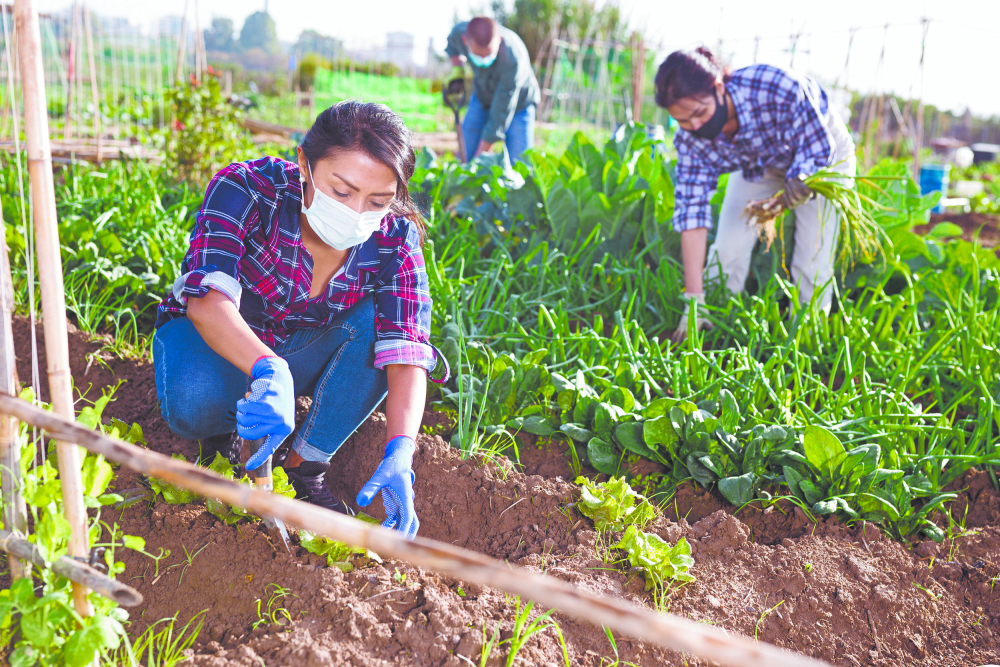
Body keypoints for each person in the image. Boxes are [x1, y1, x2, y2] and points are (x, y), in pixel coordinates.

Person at [152, 101, 448, 538]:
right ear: (305, 165)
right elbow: (207, 300)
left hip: (304, 348)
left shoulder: (394, 238)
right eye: (342, 192)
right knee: (195, 398)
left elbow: (406, 346)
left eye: (378, 201)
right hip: (217, 344)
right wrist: (267, 367)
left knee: (379, 329)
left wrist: (401, 449)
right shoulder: (249, 190)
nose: (356, 212)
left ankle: (304, 467)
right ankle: (222, 437)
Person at [654, 47, 855, 342]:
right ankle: (712, 323)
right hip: (760, 165)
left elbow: (817, 148)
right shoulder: (691, 140)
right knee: (728, 247)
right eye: (684, 121)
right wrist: (693, 297)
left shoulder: (776, 87)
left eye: (700, 113)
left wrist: (801, 179)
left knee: (813, 257)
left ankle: (808, 340)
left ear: (719, 88)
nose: (695, 126)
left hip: (822, 153)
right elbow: (691, 215)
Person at [445, 16, 540, 165]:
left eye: (489, 54)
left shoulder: (513, 59)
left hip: (519, 106)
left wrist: (478, 162)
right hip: (482, 98)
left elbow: (499, 116)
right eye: (478, 55)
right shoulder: (460, 33)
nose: (483, 60)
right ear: (465, 42)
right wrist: (457, 69)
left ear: (499, 39)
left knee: (522, 168)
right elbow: (452, 43)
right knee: (462, 160)